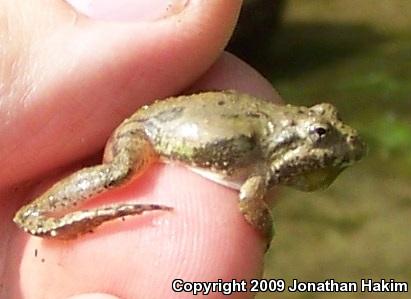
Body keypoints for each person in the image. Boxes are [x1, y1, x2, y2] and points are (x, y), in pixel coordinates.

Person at [0, 1, 282, 298]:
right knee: (120, 172)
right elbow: (251, 203)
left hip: (168, 121)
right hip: (144, 134)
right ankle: (39, 213)